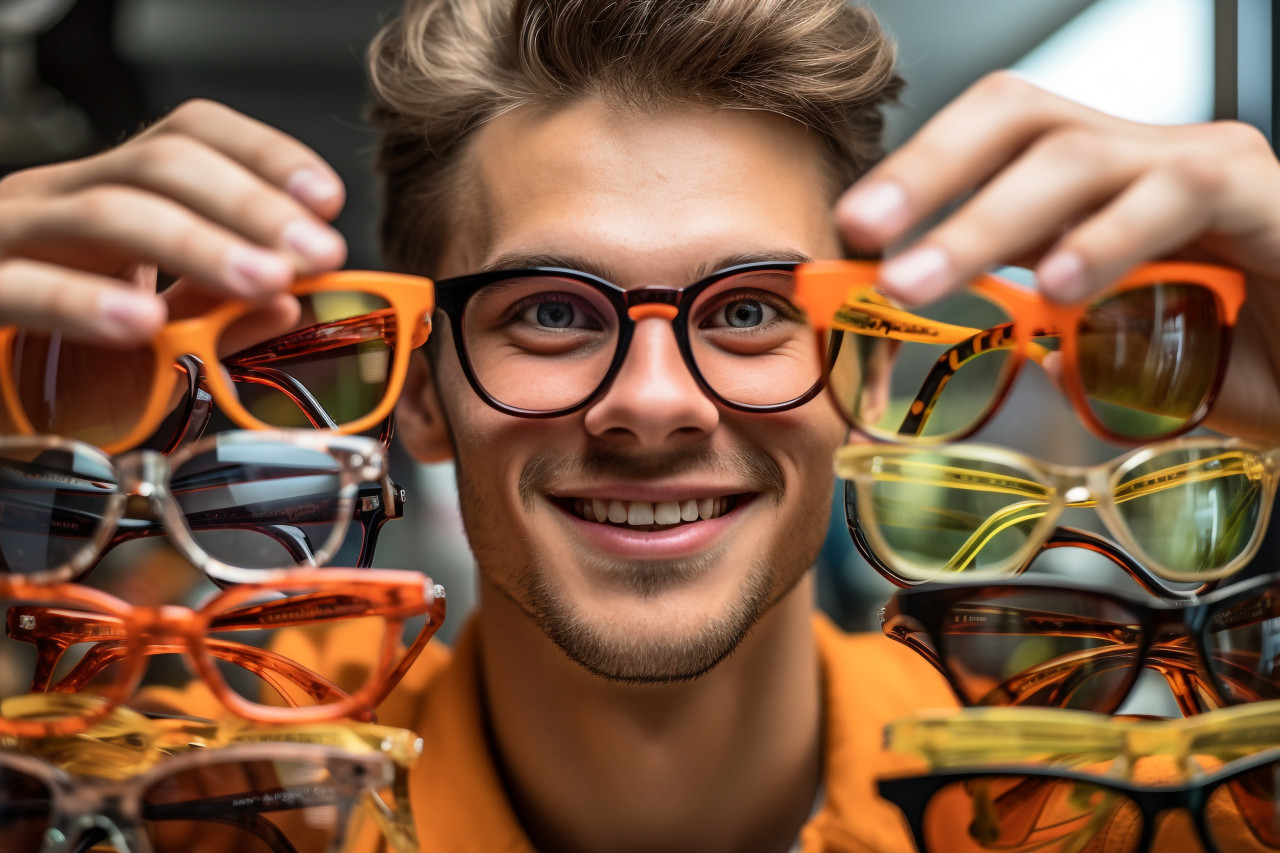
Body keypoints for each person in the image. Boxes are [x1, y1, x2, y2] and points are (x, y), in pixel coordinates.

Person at [2, 1, 1279, 851]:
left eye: (747, 311)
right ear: (424, 392)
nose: (656, 401)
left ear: (861, 382)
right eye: (551, 310)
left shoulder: (1083, 811)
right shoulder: (192, 812)